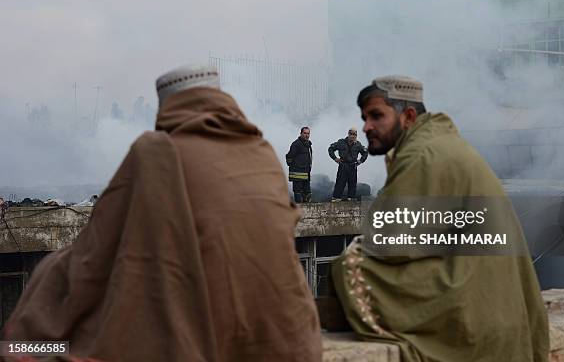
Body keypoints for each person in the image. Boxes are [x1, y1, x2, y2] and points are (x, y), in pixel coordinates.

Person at [2, 65, 322, 362]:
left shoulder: (155, 153)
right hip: (290, 340)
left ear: (167, 107)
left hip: (205, 337)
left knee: (55, 272)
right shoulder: (261, 153)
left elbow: (95, 253)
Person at [329, 76, 549, 361]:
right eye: (364, 118)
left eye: (376, 116)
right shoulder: (441, 144)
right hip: (505, 314)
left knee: (351, 265)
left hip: (475, 318)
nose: (366, 127)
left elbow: (387, 243)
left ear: (408, 116)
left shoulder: (423, 155)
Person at [328, 128, 368, 202]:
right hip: (343, 165)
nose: (353, 136)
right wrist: (335, 158)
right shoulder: (341, 142)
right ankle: (336, 198)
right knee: (340, 182)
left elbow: (365, 152)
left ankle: (351, 198)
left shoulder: (358, 144)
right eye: (351, 134)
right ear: (348, 134)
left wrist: (360, 161)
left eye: (354, 135)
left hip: (353, 165)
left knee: (352, 183)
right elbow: (331, 149)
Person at [286, 127, 313, 203]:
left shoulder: (308, 144)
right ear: (300, 133)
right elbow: (289, 156)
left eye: (308, 133)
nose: (307, 135)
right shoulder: (296, 144)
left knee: (307, 193)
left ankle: (307, 211)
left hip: (306, 172)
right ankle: (299, 210)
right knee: (298, 192)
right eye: (305, 133)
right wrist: (294, 166)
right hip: (297, 173)